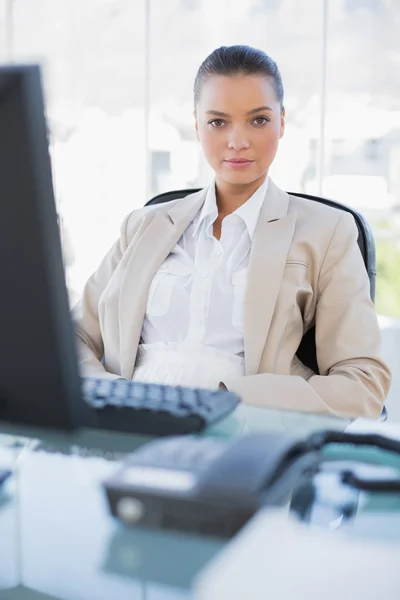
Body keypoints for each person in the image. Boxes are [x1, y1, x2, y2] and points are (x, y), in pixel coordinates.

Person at [73, 45, 391, 418]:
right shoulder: (144, 225)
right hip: (125, 423)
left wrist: (231, 397)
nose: (237, 142)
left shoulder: (327, 230)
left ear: (282, 122)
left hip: (241, 432)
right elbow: (73, 339)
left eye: (257, 120)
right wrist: (114, 395)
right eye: (218, 122)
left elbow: (363, 384)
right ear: (196, 125)